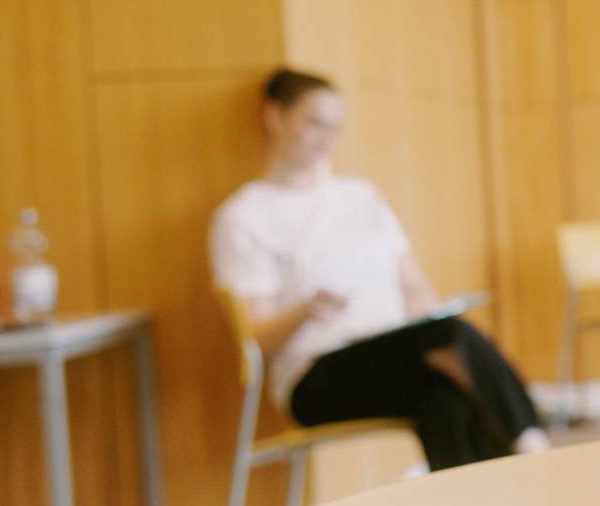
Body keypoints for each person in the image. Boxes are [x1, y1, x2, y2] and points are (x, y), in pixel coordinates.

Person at [209, 69, 549, 472]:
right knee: (450, 335)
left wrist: (431, 319)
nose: (327, 139)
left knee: (443, 395)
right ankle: (534, 448)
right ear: (275, 116)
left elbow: (414, 285)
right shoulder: (245, 215)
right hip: (315, 377)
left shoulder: (361, 197)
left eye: (335, 128)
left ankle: (482, 502)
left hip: (394, 355)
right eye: (314, 123)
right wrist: (307, 310)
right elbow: (257, 339)